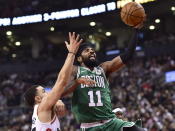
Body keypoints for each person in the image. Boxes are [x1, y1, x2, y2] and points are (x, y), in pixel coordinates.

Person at [63, 23, 146, 131]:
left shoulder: (104, 68)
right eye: (86, 51)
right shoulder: (75, 70)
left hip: (111, 122)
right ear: (79, 59)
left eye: (92, 50)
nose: (91, 51)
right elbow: (62, 91)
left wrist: (135, 31)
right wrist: (77, 81)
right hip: (90, 127)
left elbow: (127, 56)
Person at [24, 32, 83, 131]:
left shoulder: (42, 109)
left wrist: (76, 82)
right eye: (44, 91)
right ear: (38, 98)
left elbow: (62, 97)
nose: (47, 92)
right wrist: (72, 53)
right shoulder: (42, 106)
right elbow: (62, 81)